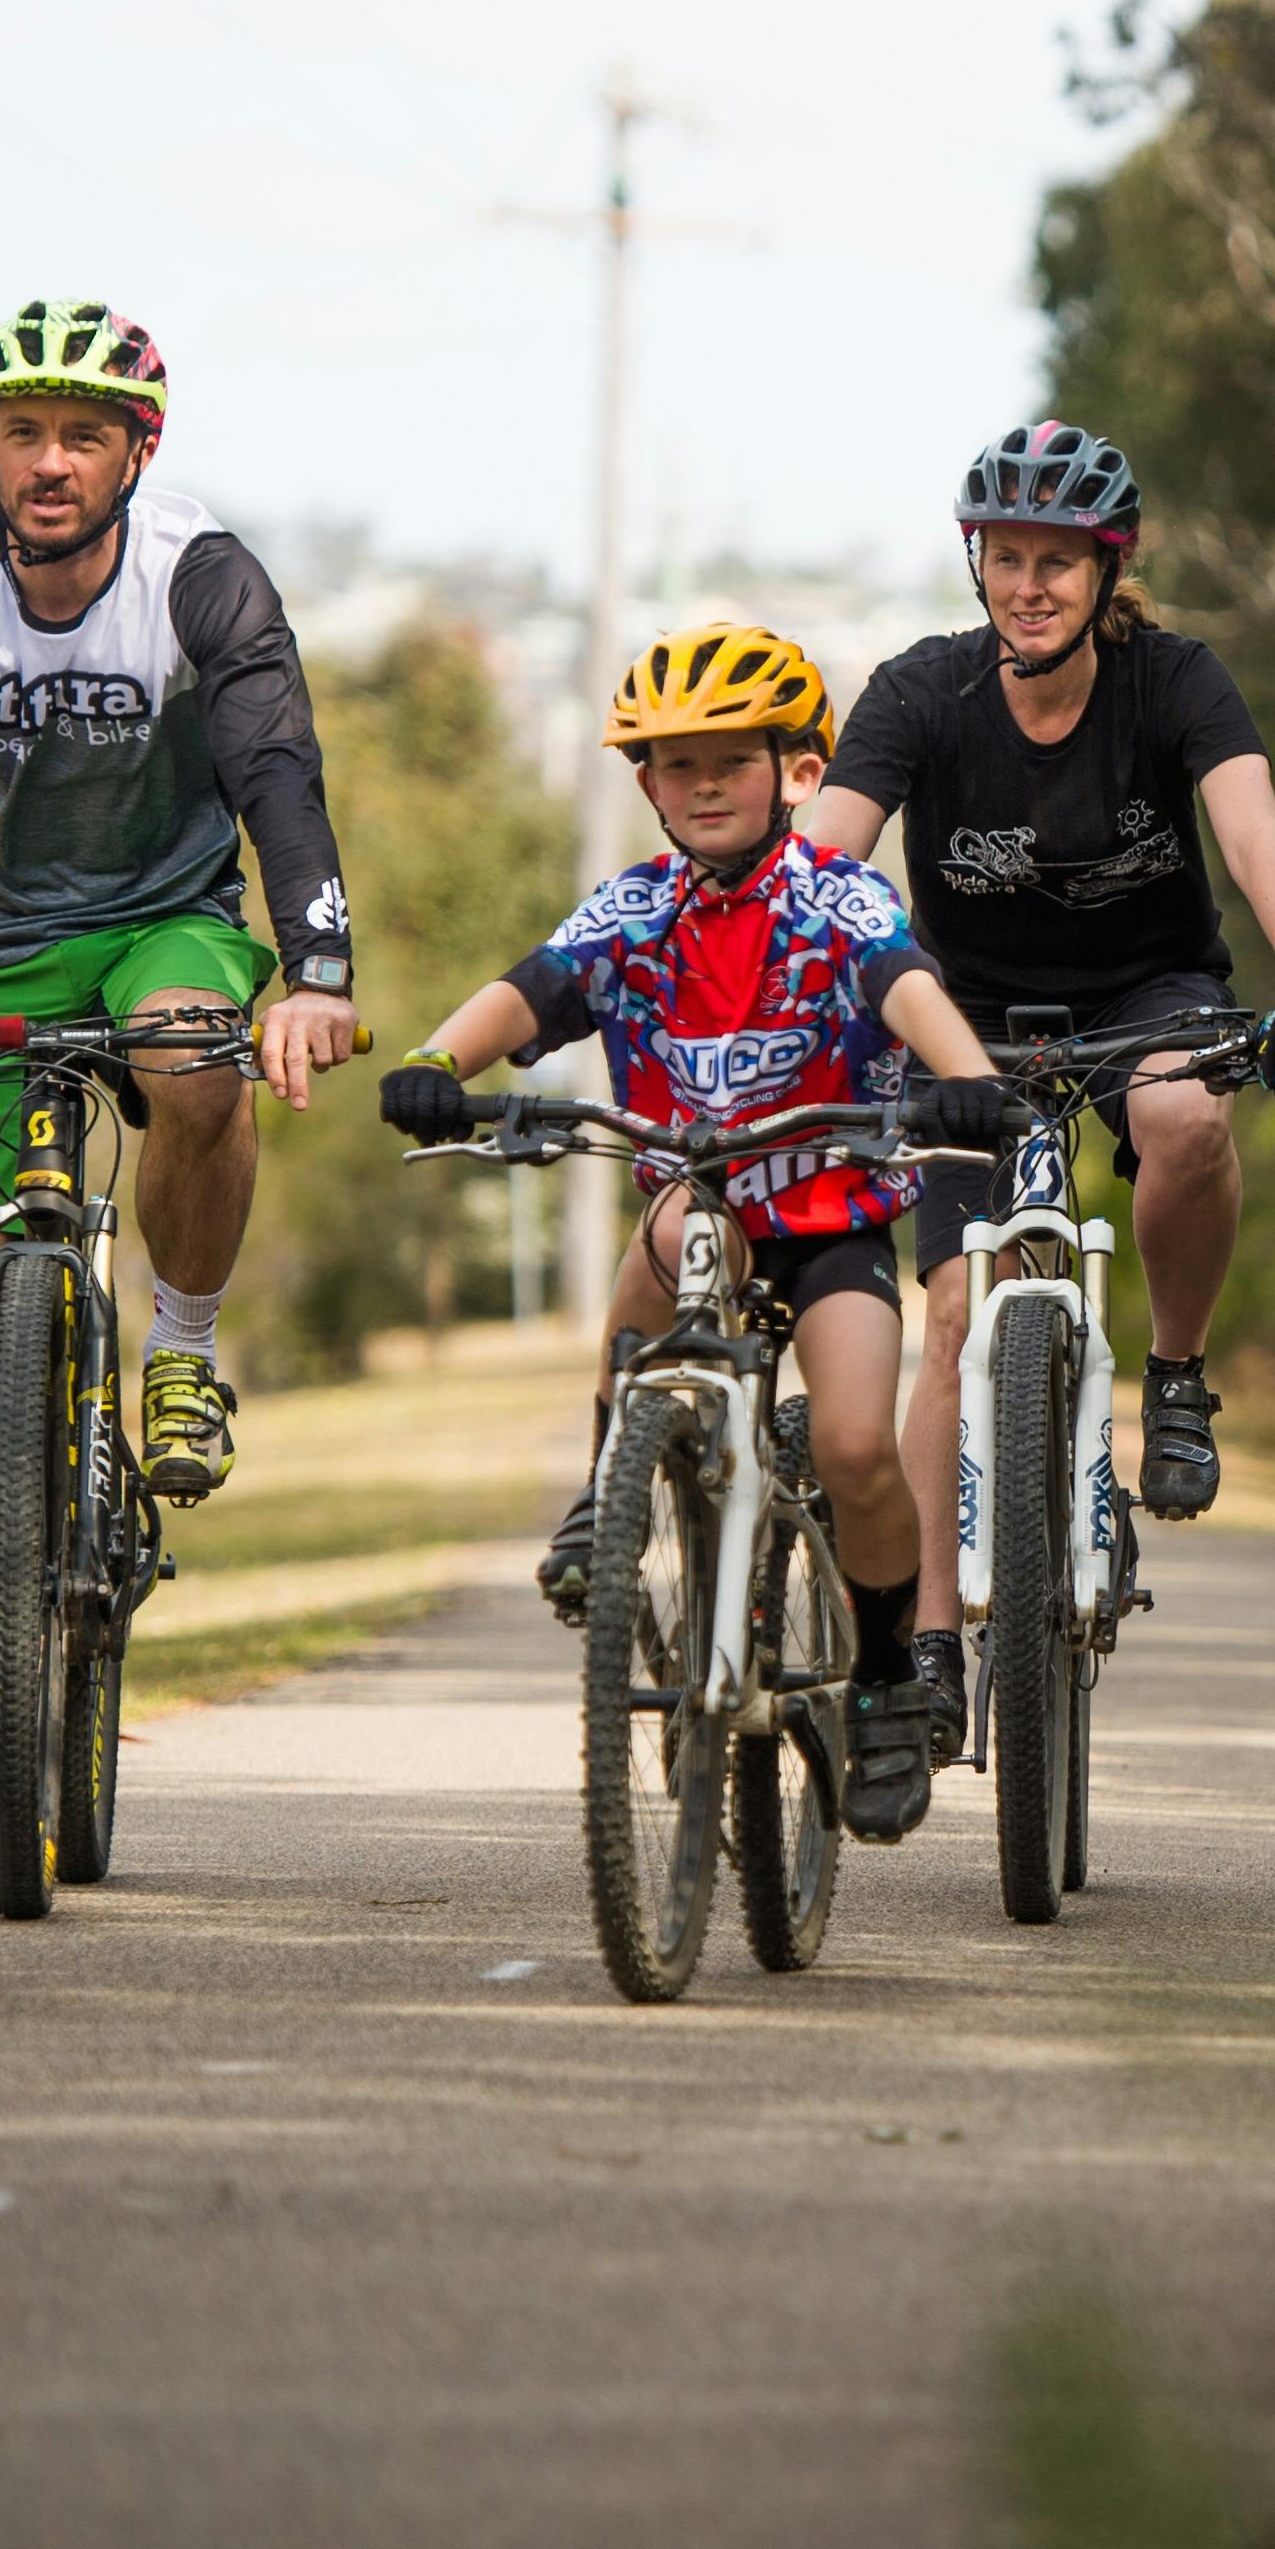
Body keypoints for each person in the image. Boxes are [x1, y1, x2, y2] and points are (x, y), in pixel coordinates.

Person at [0, 297, 360, 1799]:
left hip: (158, 922)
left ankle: (182, 1354)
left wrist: (313, 963)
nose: (48, 461)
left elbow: (275, 770)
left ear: (137, 449)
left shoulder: (202, 577)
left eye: (82, 433)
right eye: (21, 433)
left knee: (191, 1055)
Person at [374, 620, 1020, 1841]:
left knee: (852, 1445)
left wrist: (964, 1077)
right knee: (671, 1217)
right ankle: (608, 1482)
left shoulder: (831, 896)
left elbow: (903, 982)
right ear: (645, 786)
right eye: (676, 764)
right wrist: (431, 1062)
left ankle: (886, 1680)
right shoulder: (634, 912)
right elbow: (527, 991)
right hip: (701, 1207)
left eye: (733, 757)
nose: (705, 782)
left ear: (800, 772)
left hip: (828, 1220)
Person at [805, 421, 1275, 1745]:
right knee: (950, 1317)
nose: (1030, 586)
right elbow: (823, 862)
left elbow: (1253, 832)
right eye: (1007, 559)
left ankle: (1173, 1374)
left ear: (1110, 572)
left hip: (1147, 994)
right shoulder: (917, 695)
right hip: (964, 1021)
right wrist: (788, 974)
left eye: (1060, 561)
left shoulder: (1176, 683)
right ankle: (934, 1638)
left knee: (1186, 1117)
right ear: (977, 564)